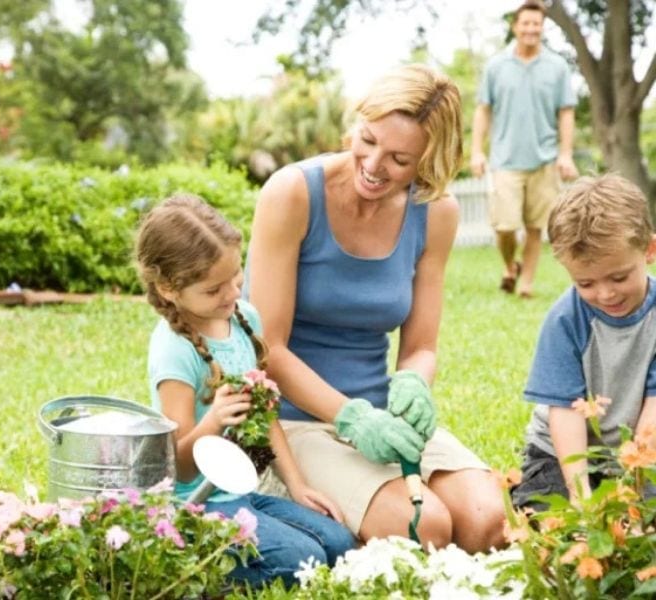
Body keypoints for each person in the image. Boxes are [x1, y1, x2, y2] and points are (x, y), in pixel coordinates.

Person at [243, 63, 507, 553]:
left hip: (383, 418)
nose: (373, 164)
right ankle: (290, 496)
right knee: (426, 528)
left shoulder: (436, 212)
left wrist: (413, 383)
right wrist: (352, 418)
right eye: (367, 140)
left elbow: (421, 346)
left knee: (485, 521)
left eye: (399, 159)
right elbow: (267, 349)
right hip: (294, 421)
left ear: (428, 160)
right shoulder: (293, 192)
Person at [135, 194, 355, 589]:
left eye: (236, 276)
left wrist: (298, 486)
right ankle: (191, 570)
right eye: (214, 289)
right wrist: (215, 420)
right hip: (195, 505)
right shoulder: (175, 349)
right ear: (168, 288)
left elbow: (265, 415)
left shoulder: (243, 319)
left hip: (241, 493)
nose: (233, 293)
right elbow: (177, 467)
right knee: (300, 561)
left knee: (338, 543)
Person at [511, 173, 656, 510]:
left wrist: (635, 485)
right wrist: (580, 496)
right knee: (548, 515)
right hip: (561, 453)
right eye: (586, 283)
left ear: (649, 250)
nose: (605, 294)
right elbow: (566, 412)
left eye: (618, 277)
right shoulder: (565, 320)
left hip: (641, 451)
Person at [471, 0, 579, 298]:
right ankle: (510, 266)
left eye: (537, 24)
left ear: (543, 28)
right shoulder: (496, 66)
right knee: (505, 227)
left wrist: (565, 154)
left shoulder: (557, 67)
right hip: (505, 160)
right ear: (515, 26)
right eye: (526, 23)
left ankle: (526, 284)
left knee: (535, 226)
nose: (531, 29)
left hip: (544, 159)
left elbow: (566, 112)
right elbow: (483, 109)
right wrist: (477, 151)